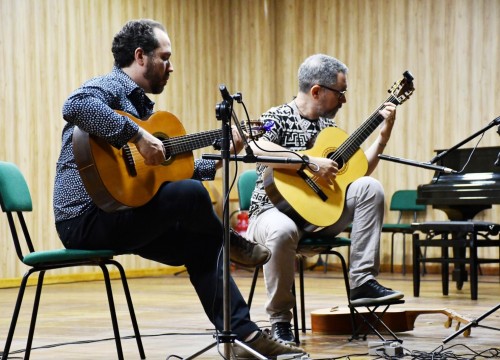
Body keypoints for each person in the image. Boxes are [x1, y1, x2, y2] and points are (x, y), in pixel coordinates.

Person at [53, 19, 306, 358]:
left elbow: (168, 173)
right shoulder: (108, 87)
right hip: (84, 220)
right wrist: (138, 136)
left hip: (123, 212)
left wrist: (220, 156)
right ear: (140, 56)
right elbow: (75, 106)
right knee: (190, 196)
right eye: (165, 57)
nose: (171, 67)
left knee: (199, 243)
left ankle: (242, 336)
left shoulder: (144, 109)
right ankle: (231, 242)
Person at [246, 54, 404, 345]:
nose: (344, 100)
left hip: (320, 216)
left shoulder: (328, 131)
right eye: (340, 93)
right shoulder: (277, 116)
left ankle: (362, 282)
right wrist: (307, 161)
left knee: (370, 187)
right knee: (283, 230)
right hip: (269, 212)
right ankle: (280, 321)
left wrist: (383, 135)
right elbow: (255, 144)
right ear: (317, 91)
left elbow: (359, 171)